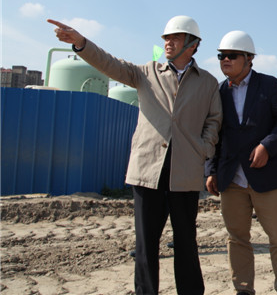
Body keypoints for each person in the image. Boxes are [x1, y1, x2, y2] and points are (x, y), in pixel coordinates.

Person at [48, 16, 222, 295]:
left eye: (175, 38)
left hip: (186, 172)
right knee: (146, 243)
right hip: (148, 169)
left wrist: (203, 148)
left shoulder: (208, 83)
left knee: (186, 242)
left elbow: (214, 121)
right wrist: (81, 43)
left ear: (192, 44)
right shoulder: (146, 72)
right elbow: (109, 63)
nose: (168, 43)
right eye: (166, 38)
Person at [204, 31, 277, 295]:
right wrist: (211, 170)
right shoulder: (218, 92)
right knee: (237, 239)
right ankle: (243, 289)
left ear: (249, 59)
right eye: (221, 56)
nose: (225, 60)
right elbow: (214, 133)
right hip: (231, 180)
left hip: (266, 177)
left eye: (232, 56)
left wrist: (267, 146)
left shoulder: (269, 86)